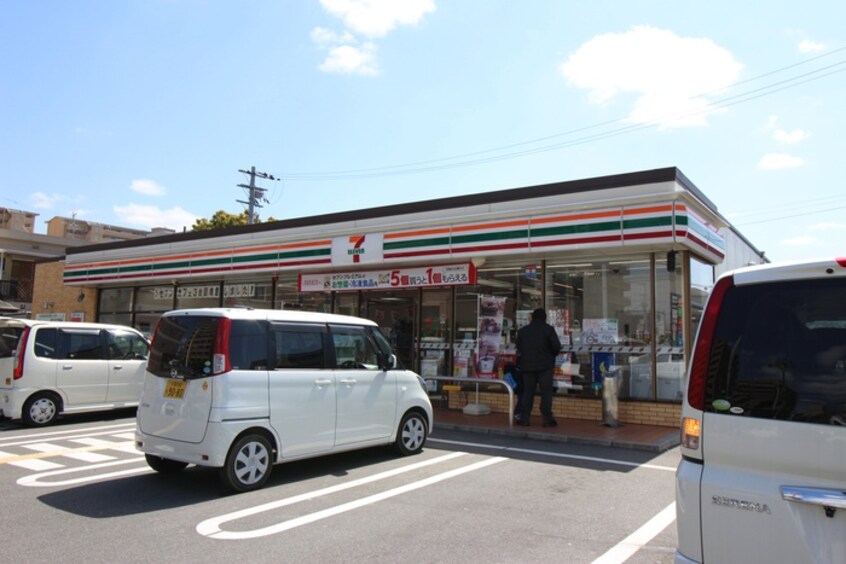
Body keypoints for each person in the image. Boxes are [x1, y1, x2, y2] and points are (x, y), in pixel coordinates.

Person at [516, 308, 562, 427]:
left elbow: (519, 347)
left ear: (533, 317)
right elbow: (556, 347)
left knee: (528, 393)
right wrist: (550, 355)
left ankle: (525, 418)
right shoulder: (548, 330)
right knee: (546, 393)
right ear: (545, 318)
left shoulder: (523, 331)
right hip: (545, 367)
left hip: (527, 367)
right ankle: (547, 419)